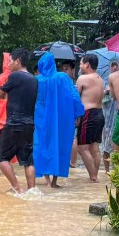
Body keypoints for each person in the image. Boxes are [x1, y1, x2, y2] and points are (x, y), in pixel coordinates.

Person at [34, 52, 84, 187]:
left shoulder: (38, 80)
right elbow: (74, 96)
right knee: (60, 145)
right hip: (62, 119)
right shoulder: (63, 77)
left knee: (43, 146)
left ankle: (47, 181)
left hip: (41, 119)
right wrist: (78, 113)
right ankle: (55, 182)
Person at [0, 47, 38, 193]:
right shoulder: (34, 79)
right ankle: (32, 190)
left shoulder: (15, 77)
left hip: (14, 123)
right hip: (29, 125)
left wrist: (6, 95)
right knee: (27, 160)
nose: (8, 64)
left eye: (11, 61)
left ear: (18, 61)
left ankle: (17, 188)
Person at [75, 53, 105, 183]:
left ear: (87, 64)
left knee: (82, 148)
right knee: (94, 146)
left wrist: (75, 116)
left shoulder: (83, 78)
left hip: (88, 114)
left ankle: (93, 177)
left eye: (81, 63)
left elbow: (76, 99)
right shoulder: (100, 79)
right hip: (99, 113)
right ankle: (94, 177)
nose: (80, 66)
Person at [100, 56, 119, 172]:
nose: (114, 67)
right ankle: (107, 171)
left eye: (116, 65)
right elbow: (101, 99)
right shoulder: (104, 82)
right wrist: (106, 92)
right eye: (112, 65)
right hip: (107, 118)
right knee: (106, 146)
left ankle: (117, 170)